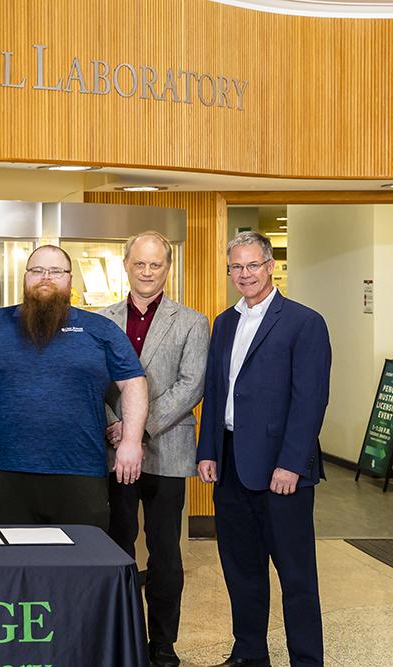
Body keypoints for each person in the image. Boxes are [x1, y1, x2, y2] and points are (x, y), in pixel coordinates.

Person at [197, 231, 330, 667]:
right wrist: (208, 450)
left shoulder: (303, 322)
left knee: (295, 576)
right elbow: (215, 392)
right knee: (241, 570)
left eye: (253, 265)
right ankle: (250, 654)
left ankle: (306, 661)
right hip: (231, 462)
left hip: (280, 470)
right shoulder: (224, 322)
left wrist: (291, 464)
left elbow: (310, 401)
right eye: (236, 266)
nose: (244, 274)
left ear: (270, 265)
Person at [0, 244, 148, 528]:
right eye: (37, 270)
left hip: (82, 472)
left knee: (82, 564)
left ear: (70, 280)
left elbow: (134, 383)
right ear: (25, 278)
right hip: (11, 471)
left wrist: (132, 441)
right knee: (17, 565)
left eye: (56, 271)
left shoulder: (100, 329)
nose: (45, 278)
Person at [97, 232, 210, 667]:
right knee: (117, 546)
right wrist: (117, 431)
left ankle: (163, 644)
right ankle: (122, 637)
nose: (147, 272)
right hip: (112, 455)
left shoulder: (192, 322)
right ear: (125, 265)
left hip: (166, 451)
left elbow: (191, 386)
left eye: (156, 265)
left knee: (165, 554)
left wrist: (136, 430)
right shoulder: (100, 319)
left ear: (168, 268)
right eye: (139, 264)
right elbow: (94, 384)